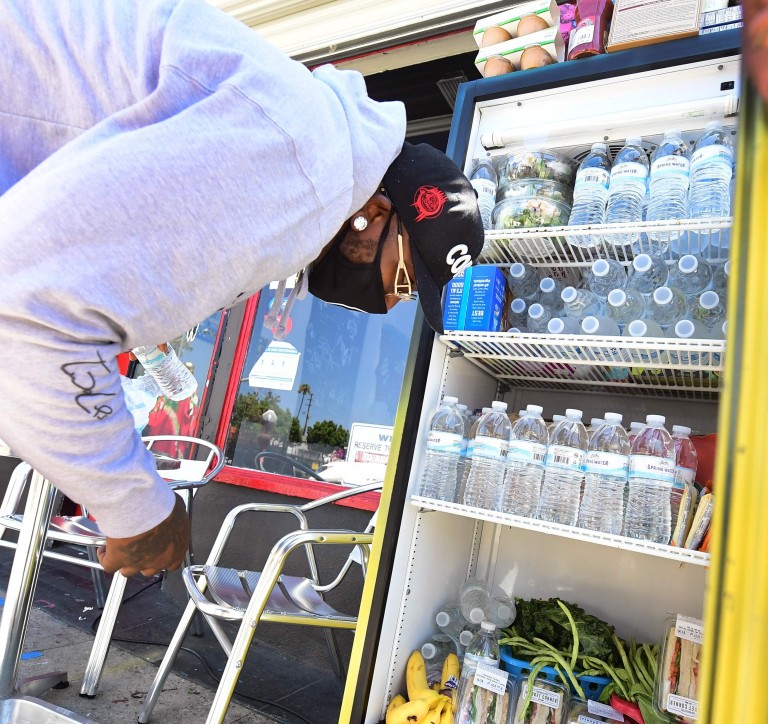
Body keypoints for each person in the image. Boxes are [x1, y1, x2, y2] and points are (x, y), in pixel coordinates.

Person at [0, 0, 483, 578]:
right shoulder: (306, 170)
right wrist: (139, 511)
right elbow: (29, 314)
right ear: (375, 213)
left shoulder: (302, 133)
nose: (386, 303)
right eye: (403, 282)